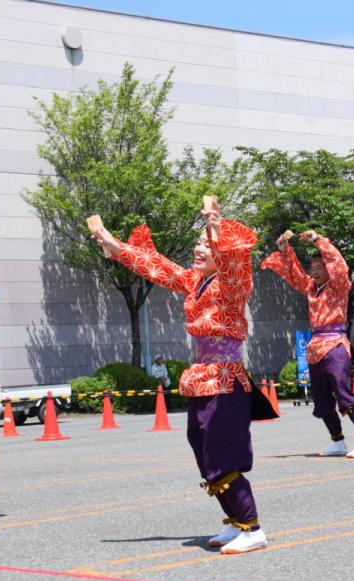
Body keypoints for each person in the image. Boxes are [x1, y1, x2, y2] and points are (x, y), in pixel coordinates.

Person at [90, 201, 268, 554]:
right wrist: (114, 244)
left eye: (206, 245)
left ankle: (252, 527)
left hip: (225, 381)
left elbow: (236, 263)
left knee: (223, 452)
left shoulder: (233, 285)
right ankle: (236, 523)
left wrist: (216, 227)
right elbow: (159, 268)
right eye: (198, 244)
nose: (199, 249)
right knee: (203, 448)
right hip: (203, 378)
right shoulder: (197, 282)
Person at [261, 229, 354, 458]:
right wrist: (285, 249)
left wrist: (317, 240)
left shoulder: (338, 285)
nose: (313, 271)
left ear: (328, 269)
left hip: (334, 343)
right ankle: (337, 441)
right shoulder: (312, 288)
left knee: (343, 392)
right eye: (312, 268)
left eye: (318, 267)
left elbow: (338, 263)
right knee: (322, 398)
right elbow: (294, 274)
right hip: (315, 347)